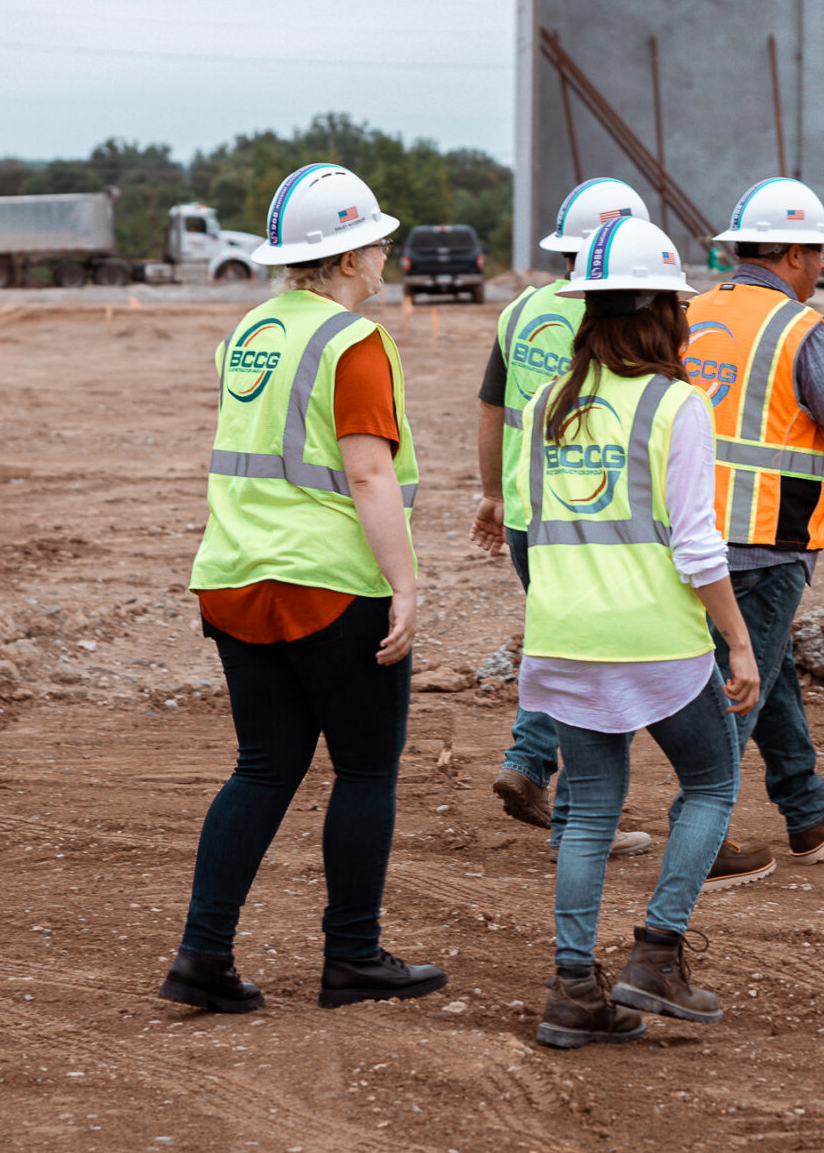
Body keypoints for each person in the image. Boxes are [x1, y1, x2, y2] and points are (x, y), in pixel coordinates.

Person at [158, 163, 448, 1015]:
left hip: (236, 579)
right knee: (364, 768)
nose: (388, 253)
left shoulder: (249, 331)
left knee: (262, 767)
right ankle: (353, 956)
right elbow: (366, 472)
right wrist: (403, 582)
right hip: (329, 585)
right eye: (379, 242)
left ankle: (202, 956)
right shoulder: (353, 344)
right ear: (350, 257)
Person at [515, 216, 760, 1048]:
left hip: (562, 635)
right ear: (664, 310)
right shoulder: (674, 405)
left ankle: (573, 988)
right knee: (713, 783)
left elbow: (527, 520)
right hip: (654, 639)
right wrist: (738, 639)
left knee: (587, 815)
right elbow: (696, 543)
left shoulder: (548, 403)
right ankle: (656, 953)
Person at [684, 177, 824, 885]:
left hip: (690, 530)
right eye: (816, 254)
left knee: (765, 670)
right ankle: (701, 836)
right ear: (789, 254)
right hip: (765, 539)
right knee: (743, 685)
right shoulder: (798, 329)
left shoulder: (692, 312)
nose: (820, 268)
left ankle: (807, 813)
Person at [473, 178, 654, 863]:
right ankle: (585, 821)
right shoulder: (624, 317)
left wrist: (492, 495)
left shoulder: (521, 311)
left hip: (526, 509)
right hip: (591, 518)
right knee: (601, 661)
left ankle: (527, 759)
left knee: (561, 640)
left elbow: (492, 409)